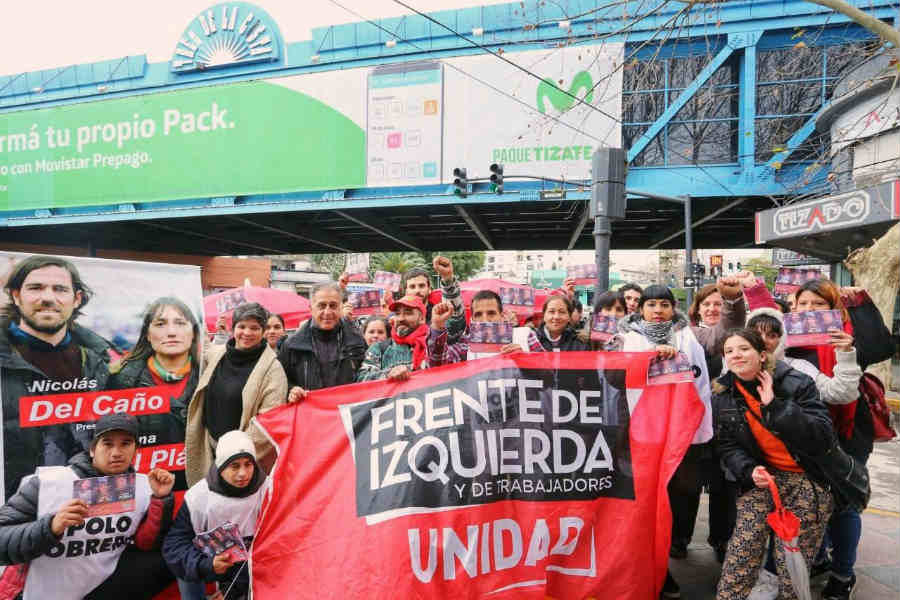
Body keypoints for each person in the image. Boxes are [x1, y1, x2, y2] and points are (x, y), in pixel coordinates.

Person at [784, 279, 893, 599]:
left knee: (844, 506)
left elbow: (881, 347)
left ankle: (843, 574)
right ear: (793, 307)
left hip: (848, 434)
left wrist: (860, 304)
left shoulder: (847, 334)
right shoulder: (788, 338)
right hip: (803, 432)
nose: (809, 310)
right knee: (808, 500)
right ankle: (818, 558)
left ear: (834, 308)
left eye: (819, 304)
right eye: (803, 303)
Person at [712, 329, 835, 600]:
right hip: (762, 480)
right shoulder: (722, 394)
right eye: (729, 351)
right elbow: (727, 445)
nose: (736, 355)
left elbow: (822, 436)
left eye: (744, 348)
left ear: (762, 354)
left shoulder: (796, 383)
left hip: (806, 480)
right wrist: (748, 469)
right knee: (740, 553)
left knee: (792, 562)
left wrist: (774, 406)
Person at [0, 413, 175, 599]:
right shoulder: (49, 483)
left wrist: (160, 499)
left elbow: (146, 544)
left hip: (95, 588)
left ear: (135, 451)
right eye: (108, 444)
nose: (116, 453)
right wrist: (50, 527)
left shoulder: (142, 487)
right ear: (92, 450)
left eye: (125, 444)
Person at [616, 284, 712, 598]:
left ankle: (671, 548)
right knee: (647, 504)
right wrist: (648, 358)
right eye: (651, 304)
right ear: (640, 309)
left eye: (664, 304)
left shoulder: (687, 336)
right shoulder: (628, 338)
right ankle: (656, 571)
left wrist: (695, 429)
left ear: (673, 308)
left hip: (681, 431)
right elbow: (619, 378)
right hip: (642, 433)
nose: (658, 310)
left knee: (681, 495)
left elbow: (699, 383)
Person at [0, 256, 115, 499]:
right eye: (36, 288)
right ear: (16, 296)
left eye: (60, 289)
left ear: (77, 299)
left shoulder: (101, 361)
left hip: (85, 500)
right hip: (11, 506)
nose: (48, 298)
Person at [185, 303, 289, 486]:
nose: (247, 333)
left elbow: (269, 421)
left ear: (263, 331)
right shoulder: (219, 354)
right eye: (242, 326)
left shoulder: (273, 370)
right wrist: (194, 315)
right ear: (233, 329)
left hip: (244, 461)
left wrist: (233, 454)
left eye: (254, 328)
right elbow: (203, 345)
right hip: (209, 449)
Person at [164, 430, 268, 600]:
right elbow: (175, 545)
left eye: (248, 464)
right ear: (220, 466)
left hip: (254, 571)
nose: (243, 473)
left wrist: (231, 592)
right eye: (235, 466)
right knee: (186, 571)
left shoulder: (269, 492)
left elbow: (278, 549)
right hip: (213, 565)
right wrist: (205, 565)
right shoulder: (198, 497)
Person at [107, 297, 201, 477]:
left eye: (180, 323)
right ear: (148, 335)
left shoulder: (210, 376)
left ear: (194, 333)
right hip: (143, 483)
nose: (171, 332)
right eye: (160, 324)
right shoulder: (121, 381)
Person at [278, 283, 367, 403]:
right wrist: (291, 390)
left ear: (340, 307)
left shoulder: (357, 341)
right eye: (322, 306)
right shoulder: (292, 346)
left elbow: (368, 376)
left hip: (347, 411)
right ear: (311, 308)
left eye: (333, 306)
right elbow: (279, 382)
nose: (327, 312)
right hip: (310, 412)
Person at [427, 290, 544, 366]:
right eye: (478, 314)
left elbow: (548, 372)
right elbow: (439, 366)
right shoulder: (465, 344)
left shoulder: (525, 335)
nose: (485, 319)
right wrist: (437, 326)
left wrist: (525, 359)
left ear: (502, 316)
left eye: (491, 313)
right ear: (472, 319)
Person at [357, 295, 429, 382]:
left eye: (408, 313)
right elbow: (362, 379)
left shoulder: (431, 344)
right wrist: (388, 374)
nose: (401, 318)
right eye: (397, 313)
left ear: (422, 319)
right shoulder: (379, 348)